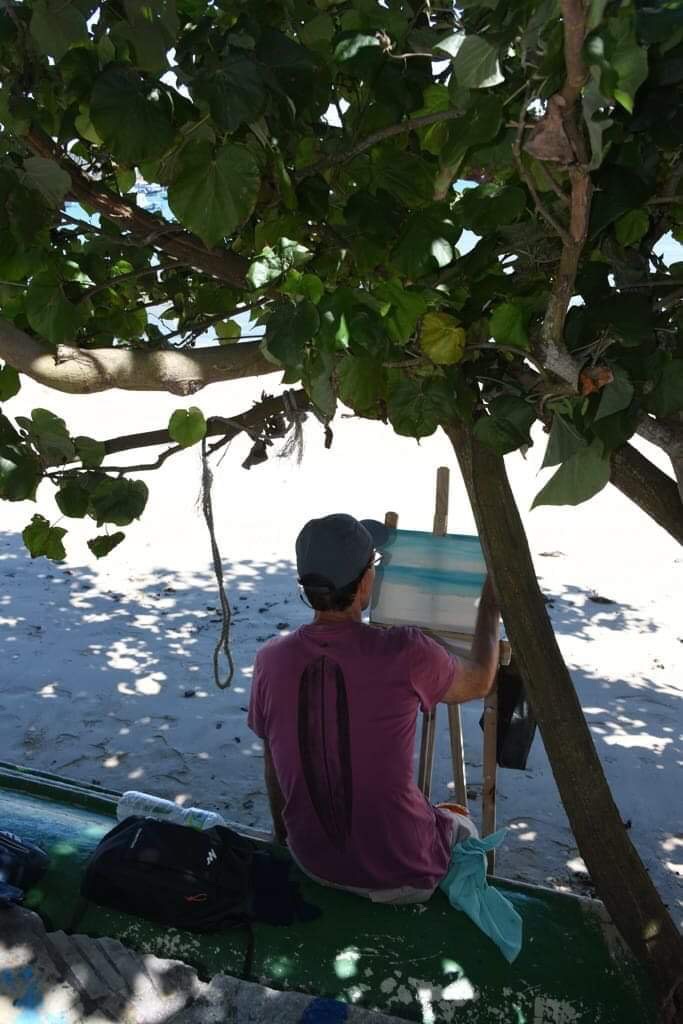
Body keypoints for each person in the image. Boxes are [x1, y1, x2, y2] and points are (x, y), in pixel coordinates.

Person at [248, 513, 501, 904]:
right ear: (367, 580)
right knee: (464, 827)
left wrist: (285, 838)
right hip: (404, 875)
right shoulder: (406, 652)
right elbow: (482, 680)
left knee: (427, 813)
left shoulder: (270, 659)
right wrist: (491, 605)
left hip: (312, 861)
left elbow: (274, 765)